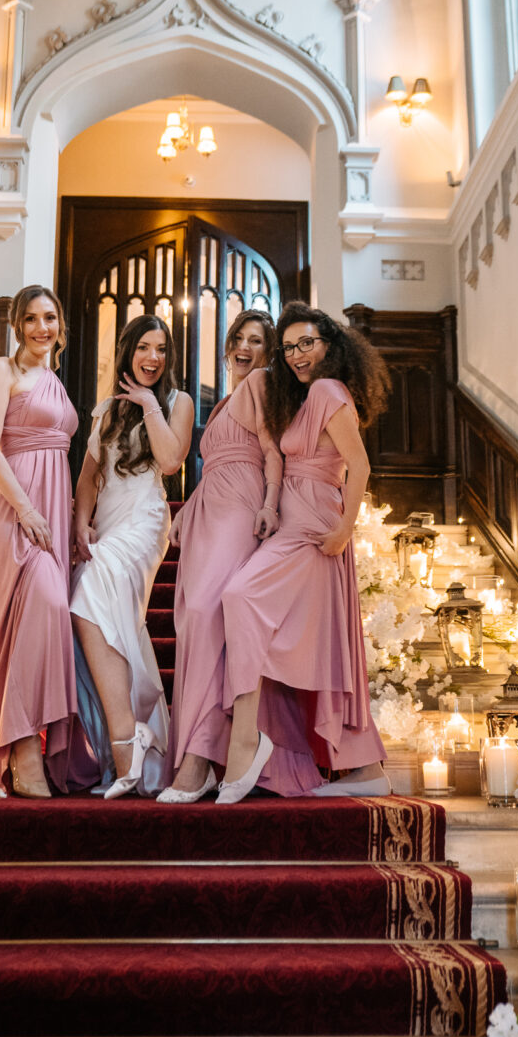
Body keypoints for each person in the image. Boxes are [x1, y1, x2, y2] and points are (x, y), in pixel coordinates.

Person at [217, 300, 392, 805]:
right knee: (319, 639)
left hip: (314, 522)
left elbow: (358, 466)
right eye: (289, 347)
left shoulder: (327, 389)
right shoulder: (307, 395)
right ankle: (364, 766)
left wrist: (342, 530)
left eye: (306, 343)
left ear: (330, 345)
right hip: (297, 518)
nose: (296, 354)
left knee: (240, 597)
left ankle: (247, 742)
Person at [0, 285, 95, 798]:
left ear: (60, 325)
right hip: (15, 511)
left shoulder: (55, 382)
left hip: (53, 514)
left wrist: (72, 518)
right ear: (18, 324)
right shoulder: (3, 371)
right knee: (34, 607)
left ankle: (38, 745)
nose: (43, 327)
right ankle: (22, 750)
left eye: (51, 318)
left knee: (43, 621)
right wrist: (26, 509)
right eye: (33, 318)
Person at [159, 310, 286, 804]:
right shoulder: (225, 400)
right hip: (208, 508)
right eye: (239, 338)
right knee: (191, 619)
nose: (245, 346)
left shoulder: (258, 385)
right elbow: (210, 464)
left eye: (257, 340)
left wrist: (270, 504)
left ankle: (199, 758)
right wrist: (186, 509)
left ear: (267, 352)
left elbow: (272, 452)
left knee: (208, 616)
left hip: (239, 506)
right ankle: (202, 757)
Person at [71, 315, 194, 798]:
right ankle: (131, 743)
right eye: (144, 347)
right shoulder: (105, 410)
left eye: (161, 349)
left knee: (91, 586)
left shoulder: (176, 402)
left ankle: (126, 735)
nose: (153, 358)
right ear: (128, 352)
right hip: (109, 517)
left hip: (145, 520)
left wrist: (148, 406)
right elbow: (87, 477)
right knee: (104, 611)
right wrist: (81, 522)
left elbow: (170, 460)